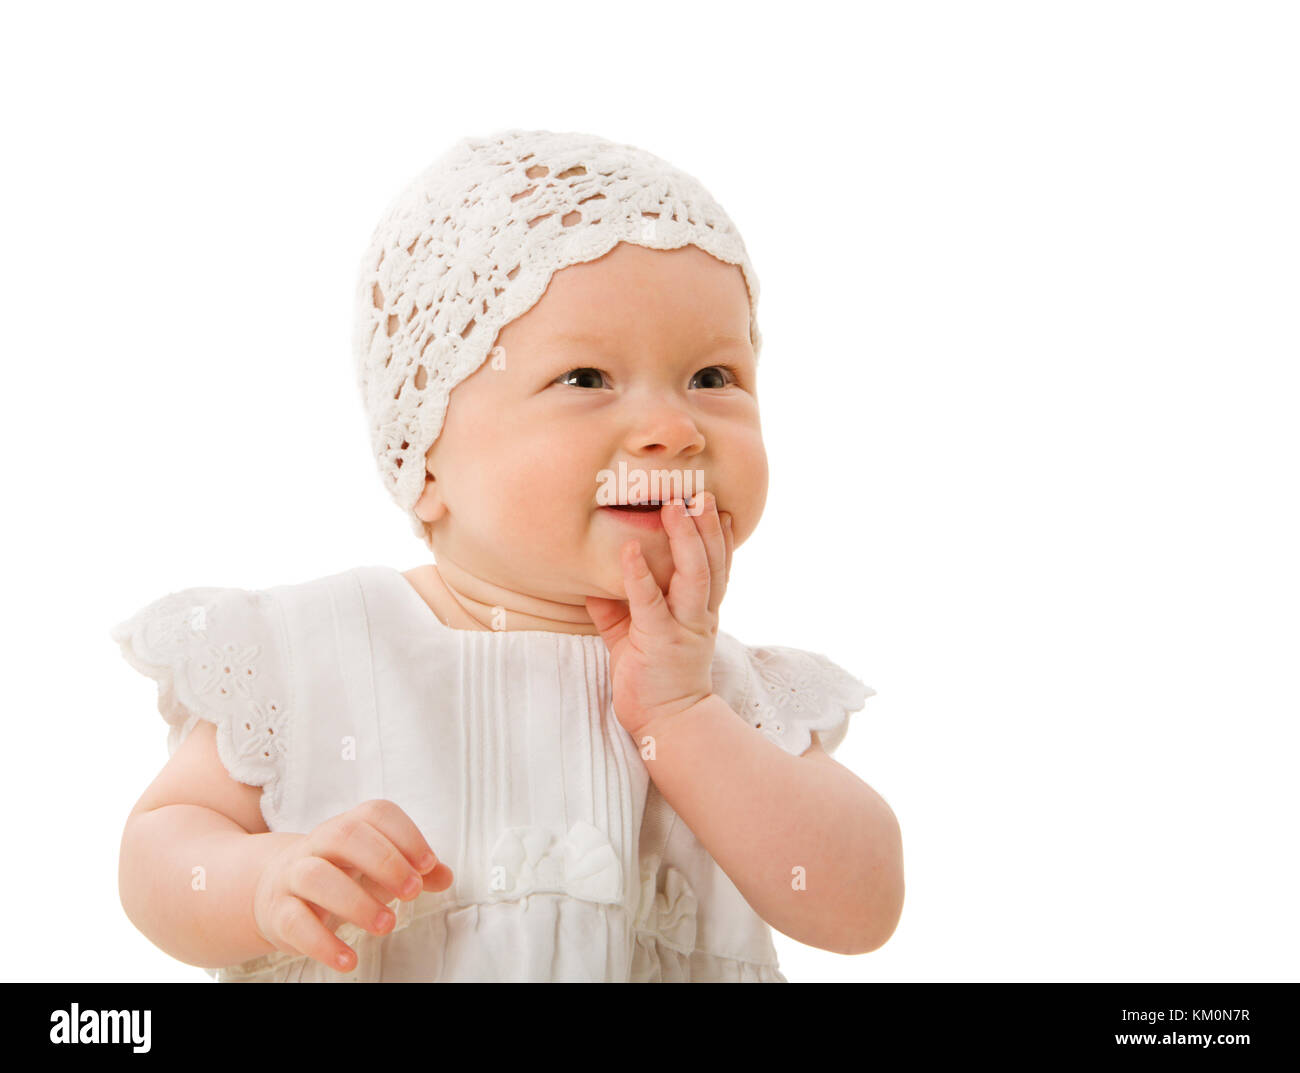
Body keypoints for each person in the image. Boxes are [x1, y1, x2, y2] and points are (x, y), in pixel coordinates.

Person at [112, 128, 905, 982]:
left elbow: (863, 903)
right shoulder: (319, 655)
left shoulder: (733, 696)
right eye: (587, 378)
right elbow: (161, 844)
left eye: (712, 378)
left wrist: (680, 717)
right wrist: (260, 879)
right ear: (424, 459)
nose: (675, 428)